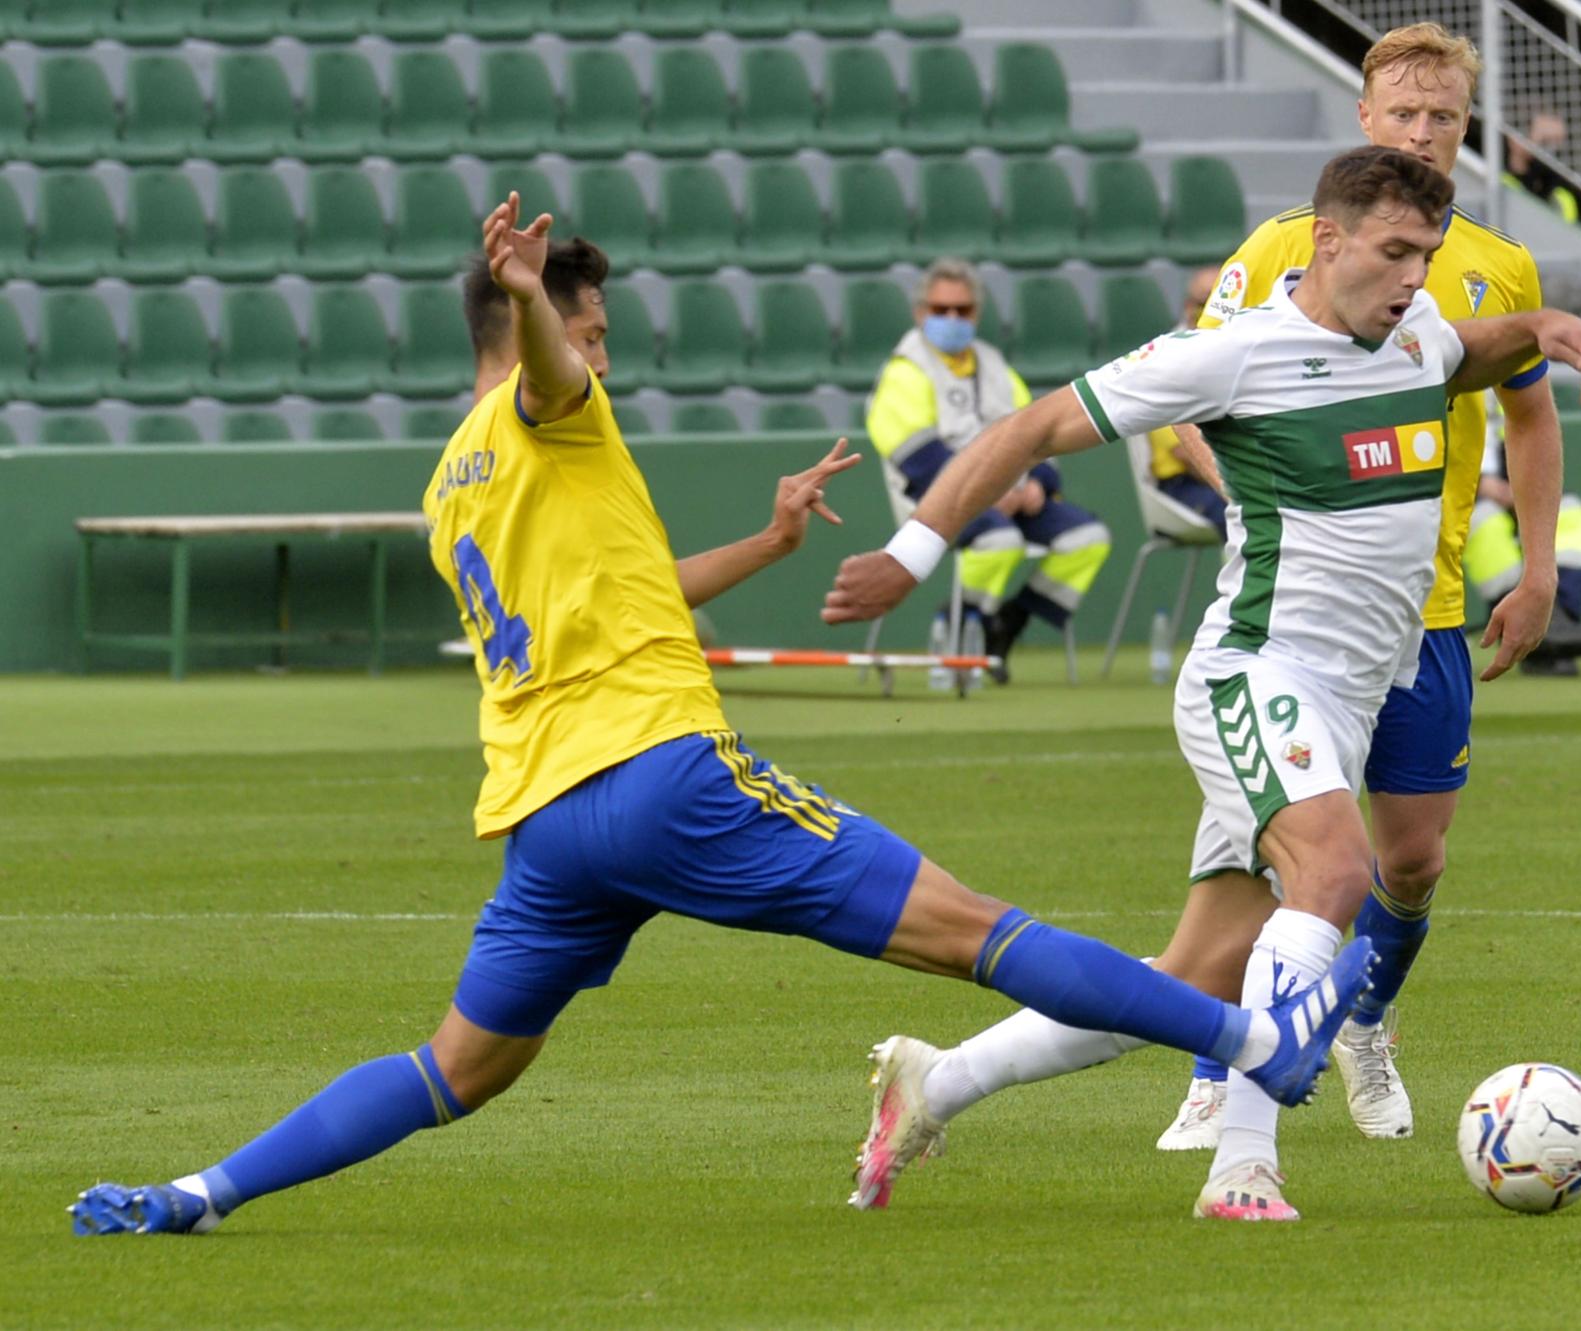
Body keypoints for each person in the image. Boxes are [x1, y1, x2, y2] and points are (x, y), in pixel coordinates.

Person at [66, 195, 1370, 1238]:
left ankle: (197, 1190)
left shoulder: (450, 483)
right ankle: (1256, 1036)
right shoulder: (552, 400)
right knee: (980, 931)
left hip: (550, 822)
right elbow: (551, 381)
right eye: (598, 327)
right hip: (663, 776)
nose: (605, 350)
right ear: (538, 324)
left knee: (449, 1069)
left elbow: (633, 594)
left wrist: (770, 536)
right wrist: (538, 310)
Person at [822, 147, 1581, 1220]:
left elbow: (1463, 345)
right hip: (1255, 673)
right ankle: (1240, 1166)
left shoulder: (1413, 333)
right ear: (1327, 239)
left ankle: (939, 1079)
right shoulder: (1231, 354)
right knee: (1337, 868)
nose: (1413, 279)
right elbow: (1028, 426)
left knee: (1200, 968)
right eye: (1394, 253)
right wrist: (911, 554)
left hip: (1342, 702)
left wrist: (1538, 328)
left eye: (1426, 256)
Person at [1157, 21, 1570, 1165]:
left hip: (1426, 612)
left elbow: (1531, 417)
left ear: (1464, 128)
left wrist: (1533, 568)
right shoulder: (1285, 246)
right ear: (1364, 116)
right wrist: (1249, 497)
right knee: (1267, 851)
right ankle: (1212, 1069)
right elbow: (1196, 395)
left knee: (1412, 859)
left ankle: (1361, 1018)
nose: (1423, 134)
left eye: (1443, 118)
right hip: (1295, 618)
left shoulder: (1494, 262)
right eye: (1404, 114)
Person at [865, 259, 1113, 682]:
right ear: (920, 312)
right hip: (935, 501)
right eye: (941, 310)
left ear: (976, 314)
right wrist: (989, 492)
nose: (952, 319)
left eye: (962, 310)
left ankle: (1007, 624)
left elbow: (1038, 428)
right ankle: (962, 620)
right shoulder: (904, 371)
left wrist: (1038, 482)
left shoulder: (994, 365)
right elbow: (919, 460)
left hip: (1012, 493)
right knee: (1000, 540)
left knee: (1087, 539)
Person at [1464, 391, 1581, 675]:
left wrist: (1523, 491)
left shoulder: (1506, 376)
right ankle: (1520, 630)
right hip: (1461, 492)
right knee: (1485, 521)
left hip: (1511, 484)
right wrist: (1481, 484)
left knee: (1571, 511)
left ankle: (1561, 623)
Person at [1141, 265, 1229, 536]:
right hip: (1185, 485)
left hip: (1234, 476)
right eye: (1205, 303)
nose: (1215, 311)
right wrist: (1242, 490)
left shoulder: (1237, 354)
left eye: (1221, 301)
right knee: (1248, 517)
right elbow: (1186, 454)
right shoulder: (1166, 361)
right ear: (1188, 306)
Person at [1504, 107, 1580, 224]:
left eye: (1556, 143)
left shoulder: (1562, 198)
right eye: (1545, 141)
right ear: (1514, 139)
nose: (1550, 151)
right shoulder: (1499, 183)